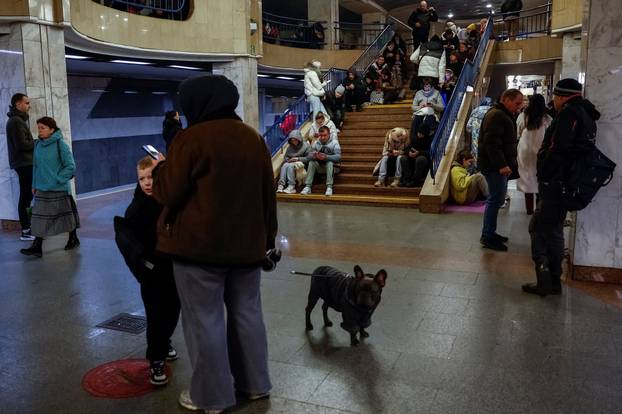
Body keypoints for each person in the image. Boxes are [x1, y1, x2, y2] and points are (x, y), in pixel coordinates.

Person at [151, 75, 277, 413]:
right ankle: (255, 385)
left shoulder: (190, 139)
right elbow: (269, 194)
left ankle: (212, 397)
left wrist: (162, 168)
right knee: (248, 313)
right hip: (248, 247)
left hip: (198, 249)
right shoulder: (253, 139)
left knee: (204, 320)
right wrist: (266, 240)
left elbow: (166, 192)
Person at [522, 79, 599, 296]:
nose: (553, 101)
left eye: (555, 97)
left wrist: (544, 172)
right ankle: (554, 280)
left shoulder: (569, 114)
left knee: (538, 228)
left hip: (556, 182)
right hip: (568, 182)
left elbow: (559, 148)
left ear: (563, 96)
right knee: (554, 230)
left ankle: (545, 279)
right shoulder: (586, 115)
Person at [117, 156, 181, 386]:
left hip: (174, 269)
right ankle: (156, 358)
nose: (147, 182)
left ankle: (165, 341)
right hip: (151, 273)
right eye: (142, 178)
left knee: (173, 310)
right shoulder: (135, 209)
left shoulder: (171, 203)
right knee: (155, 315)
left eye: (151, 176)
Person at [20, 117, 79, 258]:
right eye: (38, 127)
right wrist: (34, 184)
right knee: (38, 218)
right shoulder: (38, 145)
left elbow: (70, 166)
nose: (39, 130)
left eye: (43, 128)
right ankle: (37, 246)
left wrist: (57, 179)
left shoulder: (61, 145)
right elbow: (36, 166)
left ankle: (73, 238)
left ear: (52, 130)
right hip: (41, 188)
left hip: (59, 189)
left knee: (65, 217)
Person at [478, 89, 523, 251]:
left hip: (496, 165)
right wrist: (502, 165)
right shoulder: (497, 115)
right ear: (506, 99)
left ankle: (490, 232)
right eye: (517, 103)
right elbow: (492, 144)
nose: (519, 106)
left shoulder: (501, 113)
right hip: (494, 166)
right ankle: (488, 235)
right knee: (495, 200)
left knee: (497, 199)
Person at [5, 93, 35, 241]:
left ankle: (28, 228)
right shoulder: (16, 121)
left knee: (27, 196)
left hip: (24, 163)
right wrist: (37, 141)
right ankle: (26, 230)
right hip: (24, 163)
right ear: (18, 104)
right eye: (27, 103)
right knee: (25, 197)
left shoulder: (17, 120)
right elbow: (22, 145)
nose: (29, 105)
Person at [516, 94, 552, 214]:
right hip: (541, 151)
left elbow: (519, 131)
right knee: (540, 178)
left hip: (525, 151)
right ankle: (539, 208)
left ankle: (529, 210)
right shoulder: (547, 118)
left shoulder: (523, 116)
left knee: (527, 179)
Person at [300, 125, 341, 196]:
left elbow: (338, 157)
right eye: (321, 135)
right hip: (320, 167)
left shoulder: (335, 142)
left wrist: (326, 157)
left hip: (333, 167)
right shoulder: (316, 143)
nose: (322, 137)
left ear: (329, 134)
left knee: (329, 162)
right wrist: (314, 156)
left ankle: (329, 187)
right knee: (312, 162)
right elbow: (308, 157)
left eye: (325, 135)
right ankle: (307, 187)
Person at [276, 130, 310, 194]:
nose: (293, 142)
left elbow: (309, 158)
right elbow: (286, 156)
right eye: (292, 140)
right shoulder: (290, 147)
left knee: (290, 166)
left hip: (302, 164)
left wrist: (298, 159)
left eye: (295, 140)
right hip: (291, 162)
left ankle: (291, 186)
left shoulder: (306, 146)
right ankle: (281, 185)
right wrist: (288, 160)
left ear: (299, 139)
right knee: (285, 165)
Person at [466, 97, 493, 163]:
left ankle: (476, 168)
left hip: (476, 138)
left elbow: (468, 127)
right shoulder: (493, 111)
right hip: (489, 137)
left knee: (476, 152)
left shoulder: (475, 111)